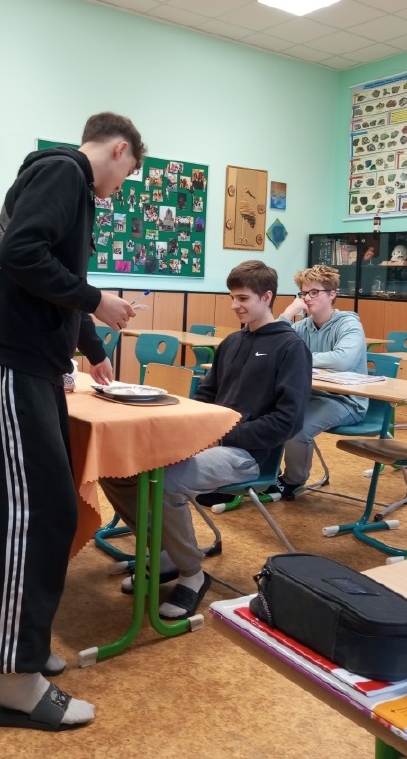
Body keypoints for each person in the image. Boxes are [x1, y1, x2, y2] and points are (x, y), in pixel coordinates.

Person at [0, 112, 146, 733]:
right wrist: (97, 301)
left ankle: (1, 639)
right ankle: (17, 683)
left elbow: (54, 278)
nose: (120, 188)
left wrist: (92, 345)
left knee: (33, 509)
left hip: (30, 362)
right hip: (15, 361)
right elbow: (22, 255)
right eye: (127, 174)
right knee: (37, 512)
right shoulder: (66, 172)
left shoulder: (59, 180)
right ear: (119, 150)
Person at [99, 260, 312, 620]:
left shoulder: (291, 348)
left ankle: (192, 573)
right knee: (116, 469)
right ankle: (166, 553)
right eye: (232, 297)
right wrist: (190, 429)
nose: (234, 306)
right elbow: (206, 395)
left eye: (242, 298)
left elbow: (286, 422)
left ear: (267, 297)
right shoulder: (232, 342)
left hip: (248, 454)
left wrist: (220, 435)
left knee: (166, 480)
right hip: (209, 441)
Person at [268, 264, 368, 500]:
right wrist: (287, 315)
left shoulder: (348, 324)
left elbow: (342, 360)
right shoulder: (303, 326)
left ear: (332, 294)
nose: (307, 298)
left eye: (314, 292)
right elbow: (272, 347)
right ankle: (265, 474)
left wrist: (298, 357)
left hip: (345, 401)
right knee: (267, 413)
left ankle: (293, 480)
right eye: (303, 293)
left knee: (297, 427)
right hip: (311, 395)